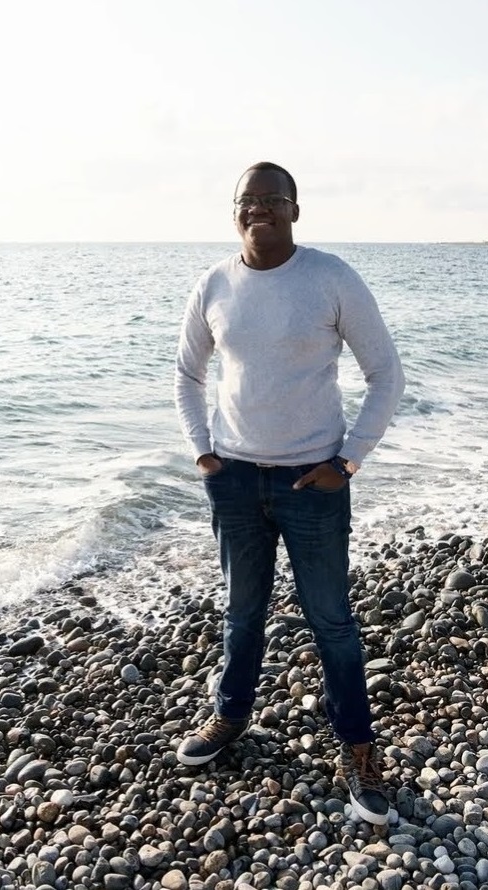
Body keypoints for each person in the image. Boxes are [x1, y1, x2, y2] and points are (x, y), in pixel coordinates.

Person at [173, 161, 405, 825]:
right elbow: (187, 374)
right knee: (241, 613)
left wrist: (348, 461)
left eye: (273, 199)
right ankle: (230, 716)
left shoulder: (331, 278)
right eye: (248, 200)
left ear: (295, 210)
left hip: (313, 481)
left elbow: (386, 374)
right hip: (235, 481)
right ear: (234, 211)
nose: (259, 209)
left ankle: (358, 749)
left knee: (332, 620)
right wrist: (203, 451)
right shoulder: (214, 283)